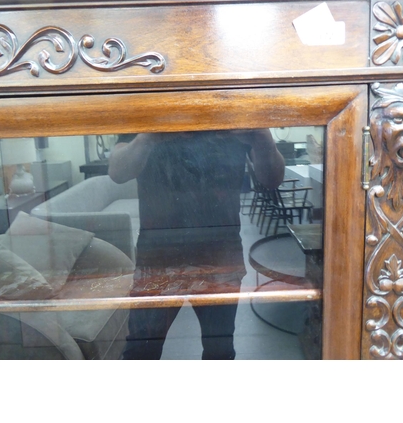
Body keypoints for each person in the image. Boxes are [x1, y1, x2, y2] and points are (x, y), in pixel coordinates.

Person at [109, 129, 284, 359]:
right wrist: (149, 136)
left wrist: (262, 137)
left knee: (218, 351)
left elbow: (272, 179)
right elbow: (117, 172)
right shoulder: (151, 108)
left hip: (216, 254)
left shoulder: (229, 108)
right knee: (141, 351)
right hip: (162, 255)